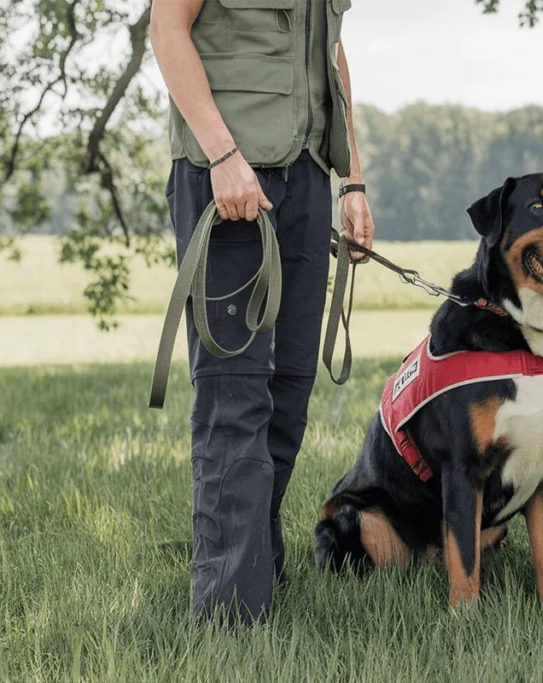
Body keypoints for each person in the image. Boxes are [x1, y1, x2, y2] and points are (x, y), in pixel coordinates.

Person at [149, 0, 374, 626]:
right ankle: (229, 619)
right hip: (226, 181)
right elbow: (167, 29)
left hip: (305, 178)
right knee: (235, 393)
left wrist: (352, 180)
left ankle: (255, 575)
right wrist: (223, 156)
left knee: (289, 387)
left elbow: (331, 54)